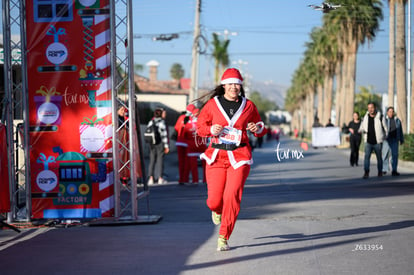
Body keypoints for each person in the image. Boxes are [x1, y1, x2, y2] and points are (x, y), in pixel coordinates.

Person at [196, 68, 266, 251]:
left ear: (241, 86)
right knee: (214, 200)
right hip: (216, 156)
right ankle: (216, 210)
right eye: (230, 83)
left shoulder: (248, 105)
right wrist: (211, 130)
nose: (234, 87)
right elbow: (200, 126)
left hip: (239, 156)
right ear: (223, 85)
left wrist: (256, 128)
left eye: (237, 84)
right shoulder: (212, 104)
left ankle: (223, 237)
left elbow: (260, 126)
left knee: (232, 196)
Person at [358, 102, 388, 179]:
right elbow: (362, 126)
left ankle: (380, 172)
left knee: (379, 158)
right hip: (368, 141)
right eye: (369, 108)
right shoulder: (366, 117)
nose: (370, 109)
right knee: (366, 157)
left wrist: (385, 136)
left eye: (372, 108)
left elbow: (385, 128)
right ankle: (366, 172)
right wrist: (360, 130)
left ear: (375, 108)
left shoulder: (380, 116)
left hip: (378, 141)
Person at [147, 108, 169, 185]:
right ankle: (160, 178)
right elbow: (164, 135)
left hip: (152, 143)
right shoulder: (162, 122)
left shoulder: (151, 122)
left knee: (152, 161)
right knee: (160, 161)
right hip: (159, 143)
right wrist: (166, 146)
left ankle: (151, 178)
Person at [382, 107, 404, 176]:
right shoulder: (384, 120)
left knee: (395, 155)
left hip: (395, 139)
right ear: (387, 112)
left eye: (392, 111)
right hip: (386, 139)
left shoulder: (397, 121)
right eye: (390, 111)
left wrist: (401, 139)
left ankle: (394, 170)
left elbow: (400, 131)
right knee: (385, 154)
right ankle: (384, 169)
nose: (391, 113)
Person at [174, 110, 190, 185]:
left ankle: (181, 179)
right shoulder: (192, 118)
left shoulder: (181, 117)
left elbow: (176, 128)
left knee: (181, 162)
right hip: (187, 143)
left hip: (179, 141)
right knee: (187, 162)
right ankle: (185, 179)